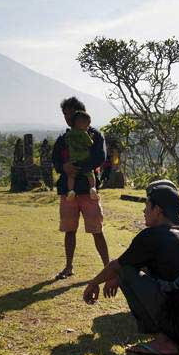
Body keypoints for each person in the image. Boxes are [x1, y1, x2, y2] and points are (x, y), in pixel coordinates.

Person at [82, 184, 179, 355]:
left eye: (147, 205)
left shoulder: (152, 235)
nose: (143, 210)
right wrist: (116, 277)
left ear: (158, 210)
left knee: (125, 271)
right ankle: (172, 337)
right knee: (125, 271)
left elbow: (116, 266)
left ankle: (164, 342)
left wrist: (93, 283)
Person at [52, 97, 109, 280]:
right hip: (69, 192)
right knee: (70, 230)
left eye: (70, 113)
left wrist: (78, 168)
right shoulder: (64, 138)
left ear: (80, 113)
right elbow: (56, 161)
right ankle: (68, 266)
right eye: (65, 114)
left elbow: (99, 157)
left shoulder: (94, 135)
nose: (67, 117)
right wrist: (64, 168)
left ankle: (108, 268)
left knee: (97, 230)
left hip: (88, 190)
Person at [65, 111, 98, 201]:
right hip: (85, 159)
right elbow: (90, 143)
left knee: (71, 176)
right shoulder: (84, 134)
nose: (87, 127)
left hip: (73, 160)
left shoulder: (70, 134)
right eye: (87, 125)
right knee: (90, 175)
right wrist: (90, 136)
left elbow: (66, 142)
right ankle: (92, 188)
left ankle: (71, 190)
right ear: (80, 123)